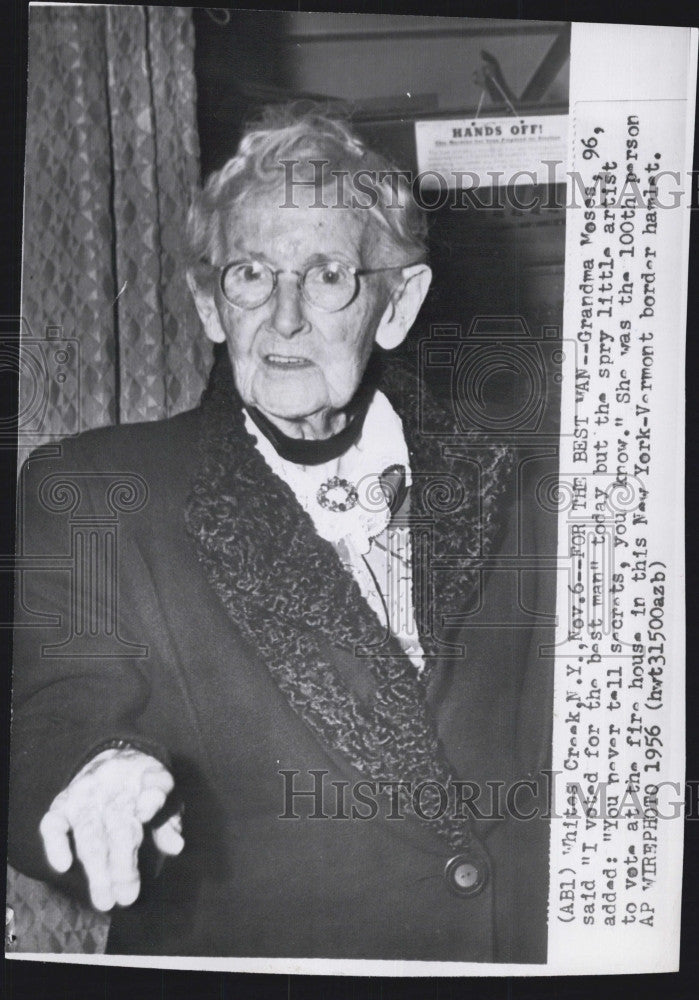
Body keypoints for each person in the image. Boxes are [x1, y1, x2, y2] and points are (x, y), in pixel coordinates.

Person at [9, 106, 556, 962]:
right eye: (251, 276)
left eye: (329, 273)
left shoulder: (524, 486)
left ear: (396, 303)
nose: (286, 317)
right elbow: (50, 718)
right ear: (209, 304)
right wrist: (93, 772)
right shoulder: (98, 492)